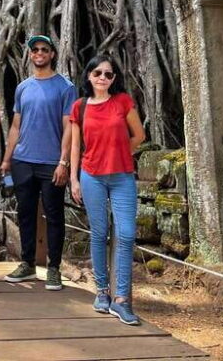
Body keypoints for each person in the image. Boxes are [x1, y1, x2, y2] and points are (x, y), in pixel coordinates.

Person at [69, 53, 146, 325]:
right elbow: (75, 146)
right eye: (98, 73)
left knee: (125, 234)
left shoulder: (122, 102)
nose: (103, 77)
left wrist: (120, 152)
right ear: (89, 76)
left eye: (108, 74)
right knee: (99, 234)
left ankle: (122, 300)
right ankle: (102, 292)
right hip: (91, 177)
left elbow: (139, 135)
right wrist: (74, 178)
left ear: (114, 79)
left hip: (122, 176)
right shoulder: (79, 107)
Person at [0, 35, 75, 291]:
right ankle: (27, 263)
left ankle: (53, 268)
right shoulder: (23, 87)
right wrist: (7, 158)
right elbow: (16, 125)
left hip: (51, 161)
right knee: (25, 213)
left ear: (52, 54)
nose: (39, 53)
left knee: (54, 214)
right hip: (23, 160)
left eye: (44, 49)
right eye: (35, 50)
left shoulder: (65, 87)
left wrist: (63, 161)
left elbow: (69, 126)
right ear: (30, 55)